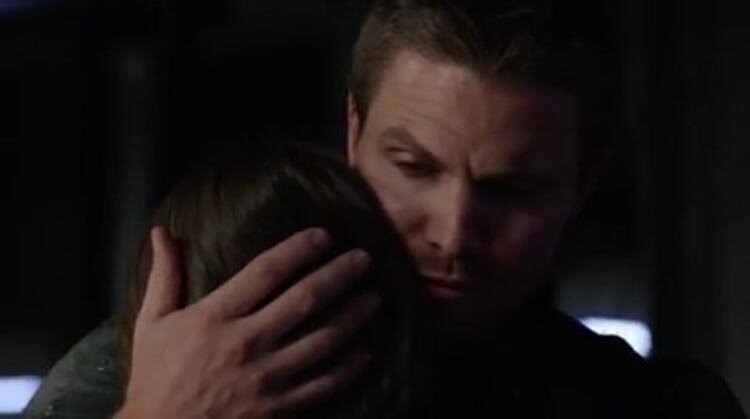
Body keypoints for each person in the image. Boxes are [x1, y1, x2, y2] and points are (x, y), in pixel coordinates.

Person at [26, 1, 747, 418]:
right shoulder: (172, 362)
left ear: (581, 186)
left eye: (513, 190)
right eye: (414, 168)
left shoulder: (653, 407)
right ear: (354, 134)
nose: (455, 233)